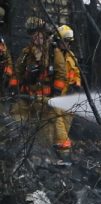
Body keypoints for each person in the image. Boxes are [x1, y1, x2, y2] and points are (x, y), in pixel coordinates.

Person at [13, 18, 68, 153]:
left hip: (46, 100)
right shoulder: (27, 52)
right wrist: (16, 85)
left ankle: (55, 154)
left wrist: (56, 92)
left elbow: (61, 74)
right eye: (33, 35)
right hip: (27, 97)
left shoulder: (54, 52)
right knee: (16, 121)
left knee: (47, 131)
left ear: (44, 33)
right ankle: (16, 149)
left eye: (39, 34)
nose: (36, 37)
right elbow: (18, 71)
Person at [50, 24, 81, 155]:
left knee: (67, 121)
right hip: (56, 94)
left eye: (69, 42)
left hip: (68, 95)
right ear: (58, 40)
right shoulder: (52, 54)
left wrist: (76, 85)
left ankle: (58, 149)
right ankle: (62, 151)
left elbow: (76, 73)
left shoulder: (71, 56)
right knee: (57, 122)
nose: (67, 44)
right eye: (65, 41)